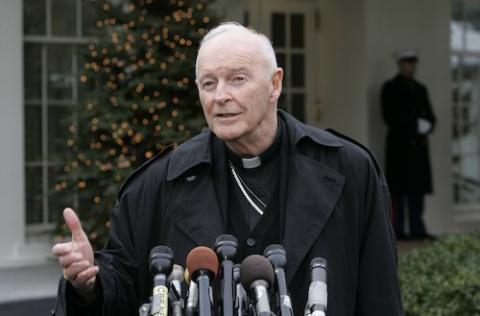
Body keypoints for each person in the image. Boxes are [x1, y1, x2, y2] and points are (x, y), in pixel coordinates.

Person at [52, 22, 403, 315]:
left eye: (237, 79)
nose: (220, 96)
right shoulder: (159, 182)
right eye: (208, 83)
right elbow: (124, 286)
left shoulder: (349, 171)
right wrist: (89, 284)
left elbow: (380, 296)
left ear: (275, 84)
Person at [381, 50, 436, 240]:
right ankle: (399, 231)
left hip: (418, 149)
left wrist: (427, 125)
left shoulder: (420, 89)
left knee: (417, 191)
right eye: (406, 63)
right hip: (400, 148)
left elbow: (430, 114)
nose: (409, 67)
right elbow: (390, 117)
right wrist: (414, 124)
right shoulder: (390, 88)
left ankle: (417, 229)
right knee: (399, 191)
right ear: (400, 65)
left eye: (412, 63)